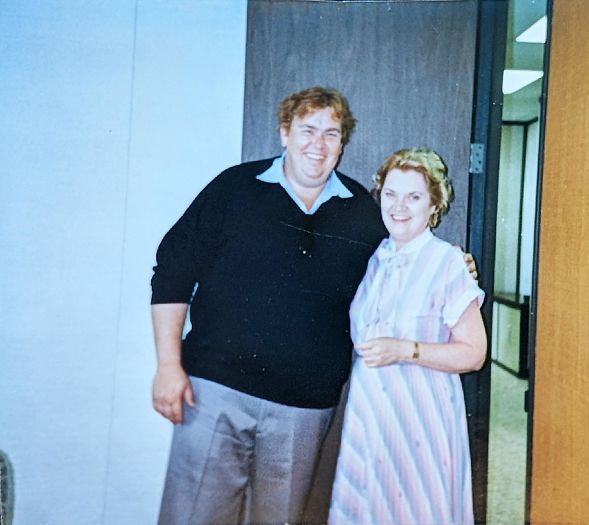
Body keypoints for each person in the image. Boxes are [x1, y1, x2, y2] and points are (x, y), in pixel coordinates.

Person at [150, 87, 476, 524]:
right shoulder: (234, 188)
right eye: (307, 130)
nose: (318, 145)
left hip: (302, 412)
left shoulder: (362, 211)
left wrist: (457, 264)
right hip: (215, 394)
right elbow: (171, 272)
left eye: (331, 133)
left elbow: (406, 249)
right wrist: (168, 366)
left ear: (342, 144)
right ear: (284, 133)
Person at [328, 148, 487, 525]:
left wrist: (405, 350)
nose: (399, 206)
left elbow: (474, 353)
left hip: (420, 419)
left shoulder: (447, 262)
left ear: (434, 204)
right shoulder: (375, 257)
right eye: (391, 194)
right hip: (370, 417)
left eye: (414, 196)